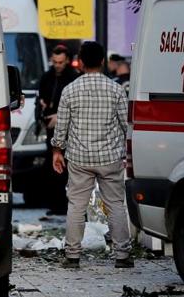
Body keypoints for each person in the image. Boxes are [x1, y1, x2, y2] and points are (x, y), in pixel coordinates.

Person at [51, 41, 132, 269]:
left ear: (81, 62)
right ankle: (123, 256)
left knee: (76, 206)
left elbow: (62, 128)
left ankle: (73, 256)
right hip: (110, 158)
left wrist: (57, 150)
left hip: (79, 159)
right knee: (116, 204)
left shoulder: (70, 90)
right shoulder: (116, 90)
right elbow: (126, 126)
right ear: (103, 62)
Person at [37, 44, 80, 215]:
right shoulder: (47, 77)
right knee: (52, 165)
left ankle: (67, 203)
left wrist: (59, 117)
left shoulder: (73, 78)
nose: (57, 65)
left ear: (67, 61)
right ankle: (56, 203)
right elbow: (42, 98)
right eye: (55, 62)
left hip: (69, 130)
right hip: (50, 127)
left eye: (61, 62)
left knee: (69, 166)